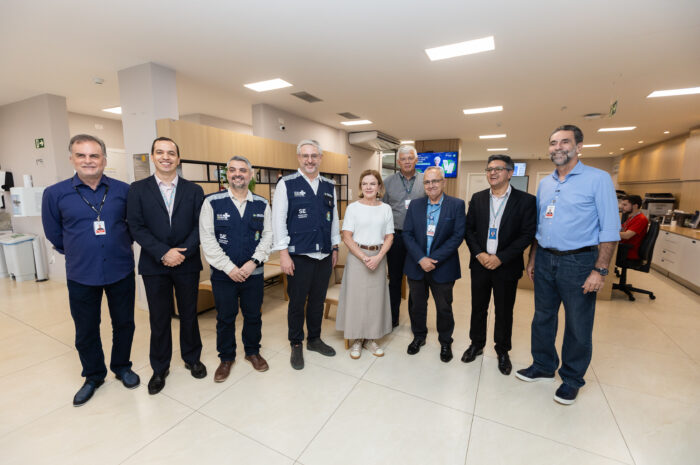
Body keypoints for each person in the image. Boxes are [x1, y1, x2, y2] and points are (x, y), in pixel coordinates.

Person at [518, 124, 620, 405]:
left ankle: (572, 378)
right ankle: (543, 366)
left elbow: (610, 229)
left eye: (564, 142)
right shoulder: (546, 184)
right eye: (553, 143)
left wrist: (600, 270)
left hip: (579, 261)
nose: (558, 147)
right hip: (545, 258)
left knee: (578, 322)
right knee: (543, 316)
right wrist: (533, 257)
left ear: (579, 147)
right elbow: (541, 225)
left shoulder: (598, 179)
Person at [42, 134, 139, 406]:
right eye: (81, 155)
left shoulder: (124, 191)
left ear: (104, 160)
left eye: (94, 155)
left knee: (124, 323)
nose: (88, 161)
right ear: (72, 159)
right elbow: (54, 234)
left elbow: (133, 227)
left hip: (120, 269)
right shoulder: (55, 194)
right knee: (86, 329)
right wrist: (81, 250)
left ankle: (122, 366)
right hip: (81, 273)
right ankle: (94, 376)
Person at [127, 137, 206, 395]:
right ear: (152, 157)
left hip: (187, 262)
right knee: (159, 318)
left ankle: (192, 358)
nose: (166, 157)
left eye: (171, 153)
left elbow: (200, 226)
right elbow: (136, 226)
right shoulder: (138, 189)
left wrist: (182, 253)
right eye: (160, 152)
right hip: (154, 264)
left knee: (189, 314)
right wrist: (163, 252)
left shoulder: (194, 191)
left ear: (178, 158)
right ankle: (160, 368)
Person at [200, 155, 273, 381]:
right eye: (232, 170)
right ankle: (226, 358)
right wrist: (229, 267)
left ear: (250, 175)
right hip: (223, 275)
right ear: (227, 175)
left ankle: (252, 352)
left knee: (253, 315)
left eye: (242, 170)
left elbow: (268, 236)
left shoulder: (262, 204)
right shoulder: (212, 202)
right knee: (225, 317)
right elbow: (207, 238)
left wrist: (253, 262)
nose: (237, 174)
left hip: (254, 273)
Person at [463, 154, 536, 375]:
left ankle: (502, 351)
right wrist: (479, 254)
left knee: (504, 311)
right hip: (480, 264)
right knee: (478, 307)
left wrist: (501, 257)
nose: (492, 173)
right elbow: (469, 230)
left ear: (510, 173)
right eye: (489, 169)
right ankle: (476, 344)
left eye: (498, 169)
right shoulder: (478, 198)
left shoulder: (526, 201)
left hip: (506, 266)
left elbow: (527, 235)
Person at [272, 139, 340, 370]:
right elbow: (278, 220)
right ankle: (296, 343)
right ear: (299, 158)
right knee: (297, 302)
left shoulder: (329, 185)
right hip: (298, 255)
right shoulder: (286, 184)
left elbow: (334, 219)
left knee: (318, 301)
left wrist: (335, 247)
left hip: (324, 254)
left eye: (314, 156)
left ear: (320, 158)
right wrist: (283, 254)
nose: (310, 160)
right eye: (305, 156)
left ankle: (314, 339)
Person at [402, 166, 466, 362]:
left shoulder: (456, 205)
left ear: (443, 182)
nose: (431, 185)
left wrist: (433, 259)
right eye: (427, 182)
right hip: (416, 265)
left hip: (443, 267)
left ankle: (445, 341)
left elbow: (457, 236)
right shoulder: (415, 205)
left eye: (435, 181)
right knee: (417, 306)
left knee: (444, 307)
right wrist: (421, 258)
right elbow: (407, 234)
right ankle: (418, 337)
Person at [336, 170, 394, 359]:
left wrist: (378, 257)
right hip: (357, 257)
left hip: (378, 257)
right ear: (361, 186)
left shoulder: (386, 209)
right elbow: (346, 236)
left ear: (379, 187)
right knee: (357, 299)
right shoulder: (353, 208)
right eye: (365, 183)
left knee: (375, 300)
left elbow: (389, 236)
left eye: (372, 183)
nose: (369, 187)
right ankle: (357, 339)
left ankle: (370, 339)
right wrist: (363, 257)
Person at [382, 145, 425, 327]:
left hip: (418, 238)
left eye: (410, 158)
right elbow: (382, 210)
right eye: (403, 159)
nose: (407, 162)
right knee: (395, 279)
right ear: (398, 162)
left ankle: (416, 322)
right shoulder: (388, 182)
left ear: (416, 160)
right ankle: (392, 319)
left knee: (416, 281)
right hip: (396, 237)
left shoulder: (425, 180)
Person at [619, 195, 648, 259]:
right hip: (623, 249)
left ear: (635, 206)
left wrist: (608, 233)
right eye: (622, 204)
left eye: (625, 205)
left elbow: (626, 235)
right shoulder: (632, 217)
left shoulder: (641, 219)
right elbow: (621, 229)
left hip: (628, 252)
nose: (621, 207)